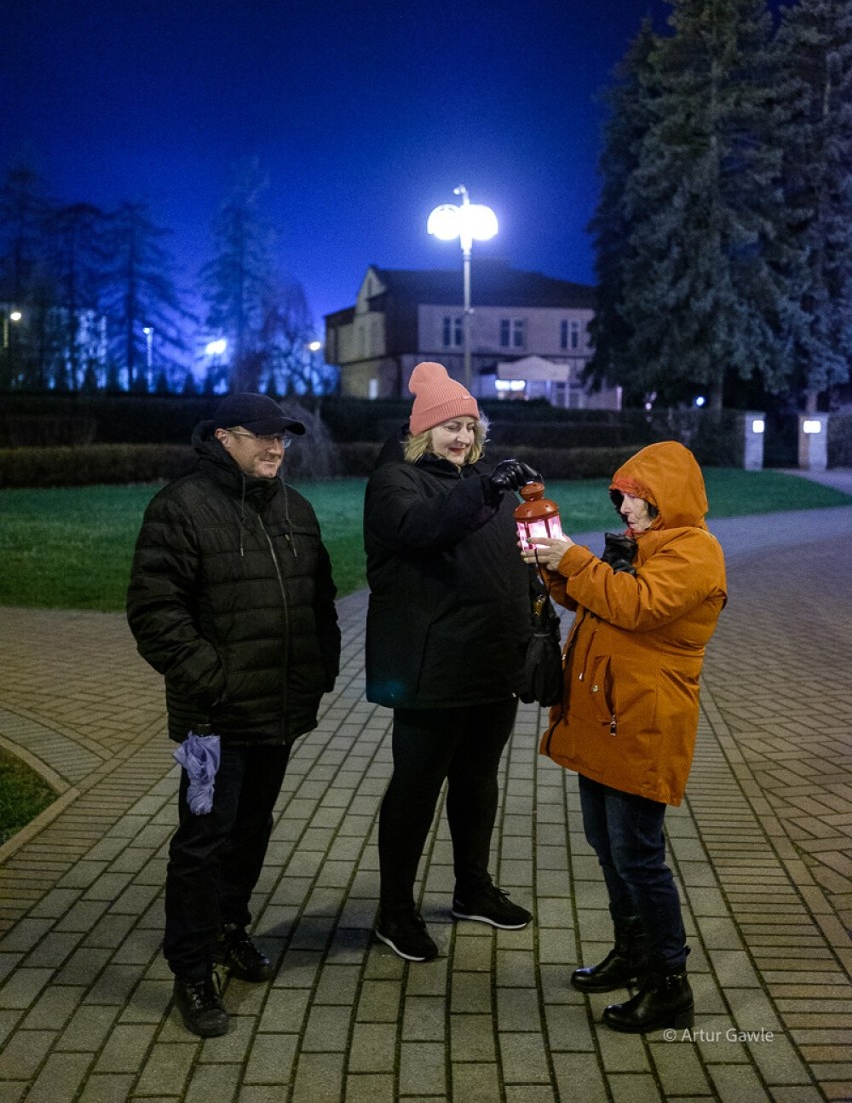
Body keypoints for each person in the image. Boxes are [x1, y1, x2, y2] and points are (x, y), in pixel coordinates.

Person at [126, 392, 341, 1037]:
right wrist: (210, 680)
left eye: (285, 439)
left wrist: (319, 669)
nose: (277, 447)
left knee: (251, 830)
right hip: (211, 721)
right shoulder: (181, 506)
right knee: (202, 841)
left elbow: (320, 602)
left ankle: (228, 930)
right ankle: (192, 968)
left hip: (276, 710)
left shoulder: (294, 509)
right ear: (225, 437)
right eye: (264, 437)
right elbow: (155, 612)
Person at [525, 440, 727, 1033]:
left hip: (644, 723)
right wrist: (556, 571)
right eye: (622, 498)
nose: (625, 509)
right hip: (607, 717)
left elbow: (637, 606)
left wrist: (578, 563)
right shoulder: (641, 547)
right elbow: (598, 607)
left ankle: (670, 987)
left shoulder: (696, 552)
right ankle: (633, 953)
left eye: (637, 499)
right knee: (607, 844)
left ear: (669, 498)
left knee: (639, 856)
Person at [364, 361, 539, 962]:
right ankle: (395, 909)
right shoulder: (397, 482)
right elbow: (424, 529)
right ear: (423, 431)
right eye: (450, 426)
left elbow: (519, 563)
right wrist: (487, 488)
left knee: (477, 780)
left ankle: (472, 889)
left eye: (470, 426)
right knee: (416, 788)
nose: (462, 437)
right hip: (429, 666)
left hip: (491, 665)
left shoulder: (487, 483)